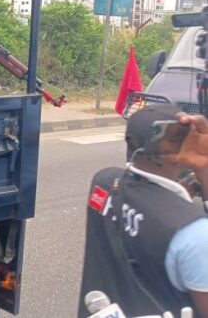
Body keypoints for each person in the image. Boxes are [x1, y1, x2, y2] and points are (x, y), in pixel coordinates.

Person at [78, 103, 208, 317]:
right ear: (172, 152)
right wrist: (203, 165)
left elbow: (144, 209)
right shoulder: (193, 232)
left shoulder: (103, 181)